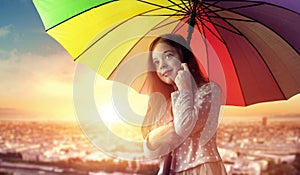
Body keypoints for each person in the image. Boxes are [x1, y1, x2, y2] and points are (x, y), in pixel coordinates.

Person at [141, 34, 227, 175]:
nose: (161, 65)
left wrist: (184, 88)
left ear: (184, 58)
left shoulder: (209, 91)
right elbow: (151, 152)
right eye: (156, 62)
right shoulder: (165, 102)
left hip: (201, 169)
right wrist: (153, 139)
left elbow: (183, 127)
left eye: (168, 56)